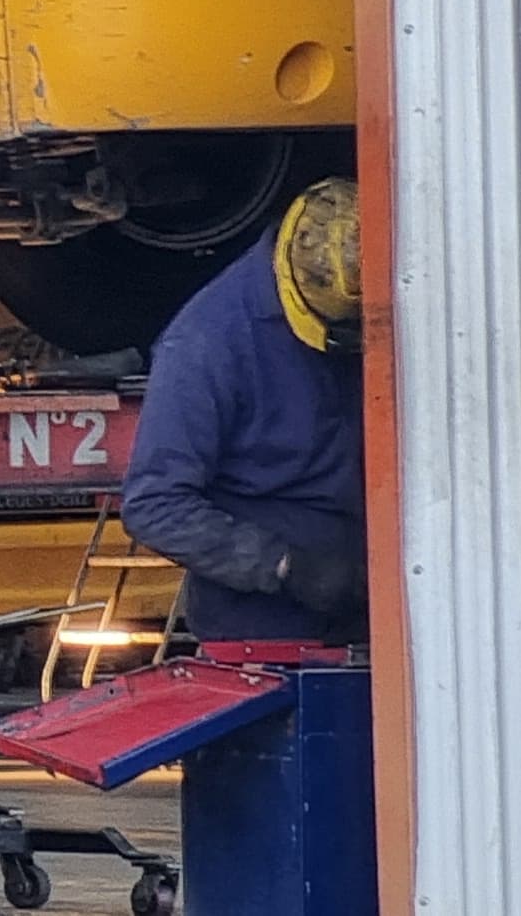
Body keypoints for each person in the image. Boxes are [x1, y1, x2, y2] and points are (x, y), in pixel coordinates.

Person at [120, 178, 370, 644]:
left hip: (376, 611)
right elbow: (153, 505)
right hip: (265, 633)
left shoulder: (376, 274)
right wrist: (282, 564)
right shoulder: (205, 344)